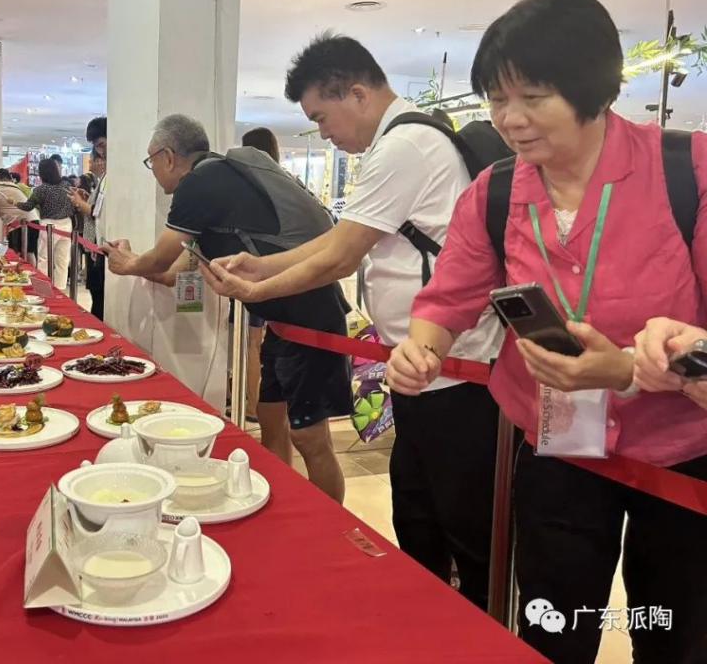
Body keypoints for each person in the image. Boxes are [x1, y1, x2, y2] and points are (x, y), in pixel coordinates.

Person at [384, 0, 707, 664]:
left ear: (593, 88)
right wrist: (421, 348)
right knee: (554, 622)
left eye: (533, 97)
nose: (510, 119)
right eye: (498, 99)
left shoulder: (687, 172)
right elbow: (449, 298)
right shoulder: (497, 191)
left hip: (683, 451)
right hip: (559, 439)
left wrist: (622, 368)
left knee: (676, 633)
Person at [203, 33, 504, 609]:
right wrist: (261, 265)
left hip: (456, 372)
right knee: (420, 514)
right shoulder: (405, 140)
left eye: (322, 116)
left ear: (358, 93)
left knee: (458, 525)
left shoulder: (404, 146)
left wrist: (256, 285)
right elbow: (341, 241)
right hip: (425, 368)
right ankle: (430, 622)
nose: (323, 132)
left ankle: (469, 632)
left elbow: (340, 255)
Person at [104, 114, 351, 503]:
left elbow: (159, 259)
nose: (152, 171)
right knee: (270, 418)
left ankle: (334, 534)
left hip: (311, 321)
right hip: (284, 324)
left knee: (311, 437)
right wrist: (134, 260)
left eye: (150, 161)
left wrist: (128, 264)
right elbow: (172, 273)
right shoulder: (214, 188)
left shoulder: (199, 183)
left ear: (168, 156)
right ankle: (284, 505)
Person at [238, 126, 282, 424]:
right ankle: (255, 402)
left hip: (252, 271)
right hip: (277, 273)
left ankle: (253, 405)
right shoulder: (283, 184)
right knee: (262, 341)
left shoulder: (248, 187)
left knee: (253, 343)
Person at [16, 158, 75, 289]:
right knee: (62, 260)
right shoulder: (66, 185)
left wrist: (14, 203)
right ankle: (60, 288)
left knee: (44, 258)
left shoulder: (40, 189)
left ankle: (43, 288)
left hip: (49, 225)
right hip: (66, 224)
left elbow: (28, 206)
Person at [72, 116, 107, 318]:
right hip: (96, 244)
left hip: (101, 245)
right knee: (97, 296)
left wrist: (80, 203)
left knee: (100, 300)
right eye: (96, 150)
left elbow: (97, 211)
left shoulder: (112, 174)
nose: (100, 153)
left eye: (101, 146)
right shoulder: (103, 178)